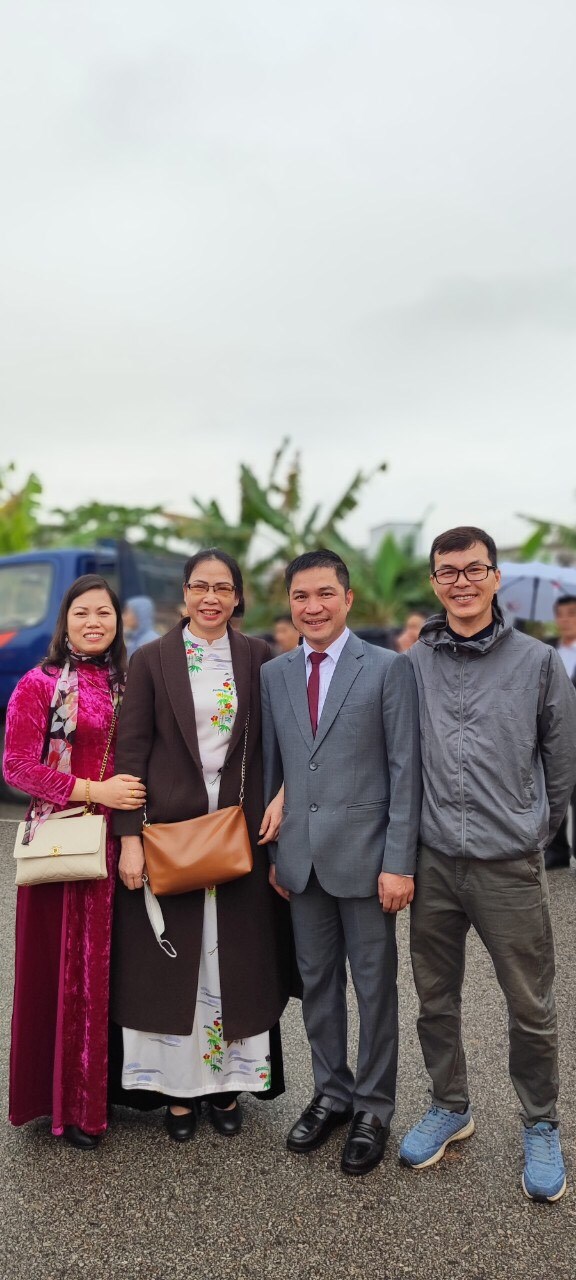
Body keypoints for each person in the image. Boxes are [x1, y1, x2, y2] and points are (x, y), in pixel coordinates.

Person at [400, 526, 576, 1202]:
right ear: (435, 582)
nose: (462, 582)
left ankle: (541, 1121)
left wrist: (535, 831)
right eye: (449, 571)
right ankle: (450, 1104)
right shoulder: (414, 664)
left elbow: (561, 758)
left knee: (530, 1004)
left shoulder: (538, 662)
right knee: (434, 998)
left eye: (475, 569)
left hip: (508, 864)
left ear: (495, 578)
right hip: (435, 861)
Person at [110, 548, 293, 1142]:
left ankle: (227, 1086)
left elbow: (282, 741)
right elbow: (131, 753)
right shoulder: (151, 659)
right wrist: (129, 838)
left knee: (233, 961)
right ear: (184, 595)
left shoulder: (258, 657)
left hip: (239, 837)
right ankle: (176, 1094)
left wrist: (283, 795)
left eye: (222, 588)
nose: (210, 597)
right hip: (170, 837)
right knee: (172, 967)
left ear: (238, 597)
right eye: (199, 586)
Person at [261, 549, 421, 1175]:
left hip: (368, 859)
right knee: (318, 986)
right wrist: (276, 851)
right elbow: (278, 768)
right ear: (290, 603)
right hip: (301, 861)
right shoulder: (275, 674)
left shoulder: (386, 668)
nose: (313, 607)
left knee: (375, 989)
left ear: (347, 598)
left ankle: (374, 1107)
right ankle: (331, 1093)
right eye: (301, 596)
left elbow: (405, 770)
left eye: (325, 593)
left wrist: (399, 862)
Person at [2, 574, 145, 1149]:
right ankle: (68, 1105)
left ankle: (112, 1091)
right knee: (68, 975)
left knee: (118, 973)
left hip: (124, 842)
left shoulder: (129, 682)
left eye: (103, 613)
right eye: (82, 612)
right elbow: (16, 766)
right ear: (65, 622)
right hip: (66, 843)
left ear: (118, 622)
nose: (93, 622)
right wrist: (93, 790)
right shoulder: (39, 684)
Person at [544, 595, 576, 868]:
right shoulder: (547, 652)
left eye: (572, 613)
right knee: (553, 791)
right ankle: (556, 851)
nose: (565, 620)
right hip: (553, 735)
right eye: (561, 614)